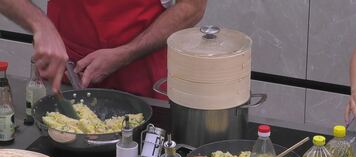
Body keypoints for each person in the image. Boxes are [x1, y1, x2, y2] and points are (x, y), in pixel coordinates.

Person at [0, 0, 207, 99]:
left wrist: (126, 53)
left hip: (142, 84)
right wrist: (41, 25)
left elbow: (192, 6)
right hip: (65, 78)